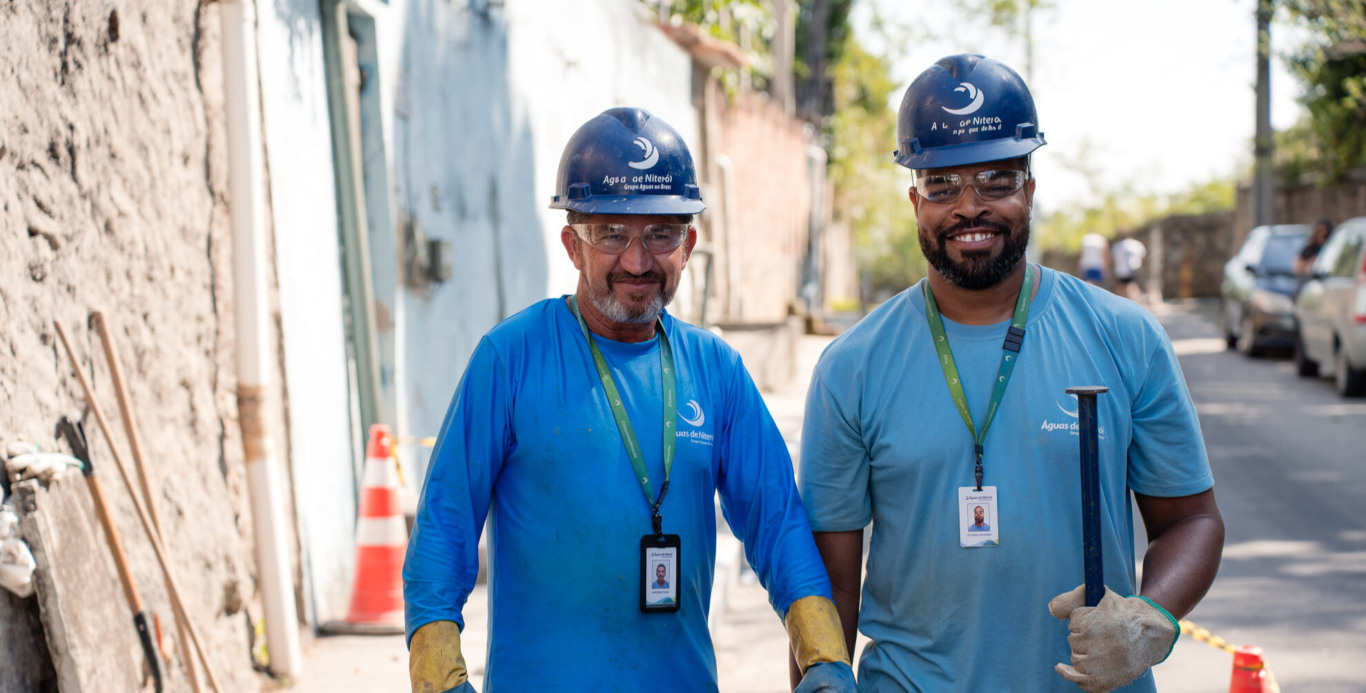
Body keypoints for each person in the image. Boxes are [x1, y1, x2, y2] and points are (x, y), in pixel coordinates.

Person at [798, 55, 1225, 693]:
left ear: (1029, 188)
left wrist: (1152, 617)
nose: (970, 208)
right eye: (942, 185)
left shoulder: (1125, 336)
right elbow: (829, 579)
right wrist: (821, 674)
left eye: (996, 179)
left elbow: (1191, 520)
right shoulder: (853, 366)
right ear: (915, 201)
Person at [404, 107, 856, 693]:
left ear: (689, 243)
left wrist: (824, 656)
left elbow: (777, 522)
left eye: (660, 234)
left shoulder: (715, 369)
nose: (638, 262)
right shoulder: (510, 358)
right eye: (611, 234)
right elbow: (445, 526)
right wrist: (438, 676)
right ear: (573, 244)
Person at [1112, 235, 1148, 303]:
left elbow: (1114, 258)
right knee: (1132, 287)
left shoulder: (1117, 245)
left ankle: (1118, 304)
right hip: (1133, 268)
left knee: (1121, 288)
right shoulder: (1136, 244)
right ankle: (1135, 303)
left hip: (1120, 269)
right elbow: (1143, 255)